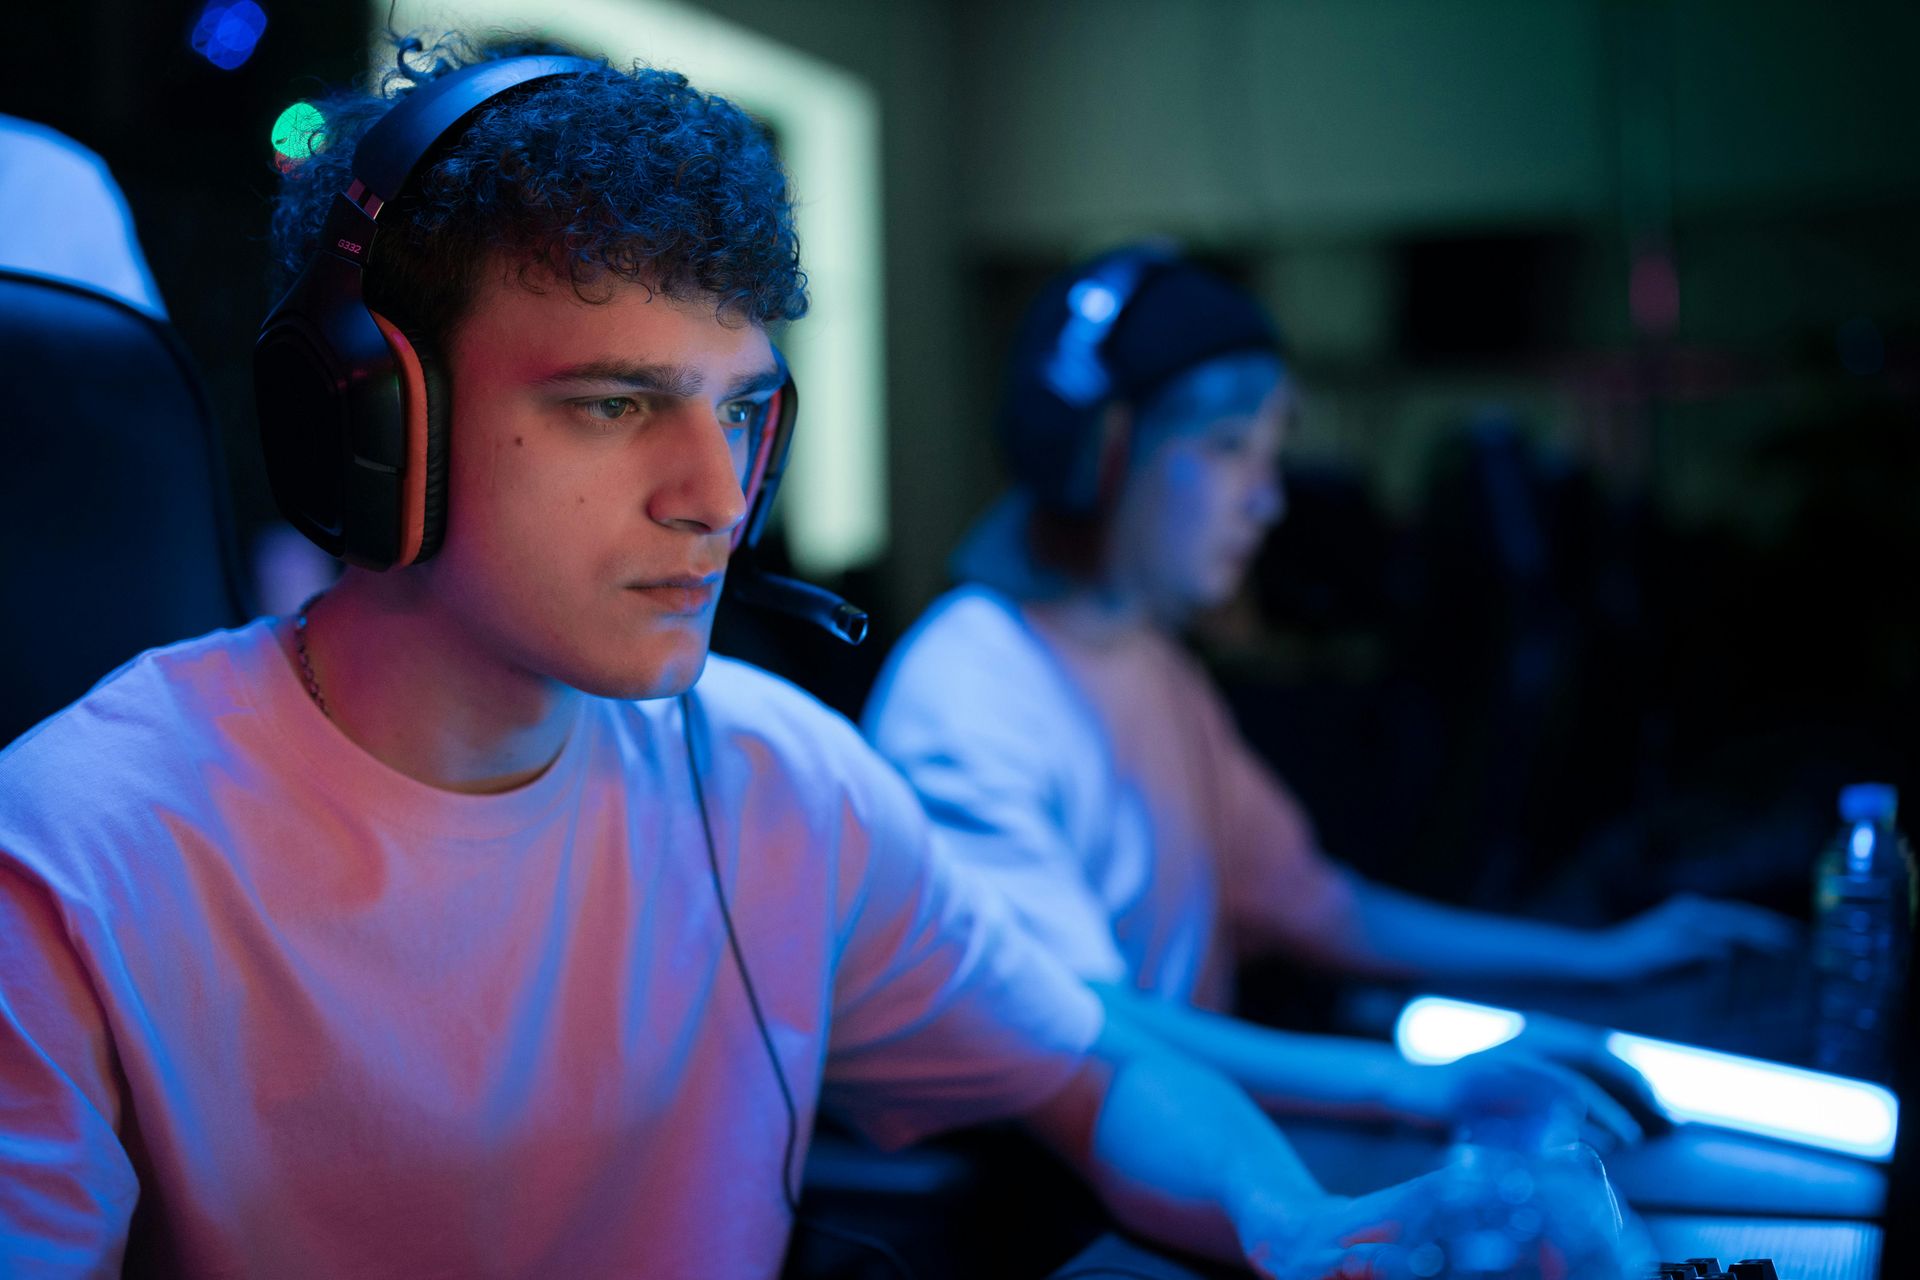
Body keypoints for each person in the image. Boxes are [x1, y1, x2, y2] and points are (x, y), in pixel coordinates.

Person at [0, 40, 1639, 1280]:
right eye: (614, 404)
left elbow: (1090, 1066)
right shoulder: (77, 853)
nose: (719, 500)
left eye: (743, 410)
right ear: (373, 424)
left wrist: (1300, 1227)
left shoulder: (777, 776)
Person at [863, 244, 1797, 1134]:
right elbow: (1089, 1026)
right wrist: (1411, 1088)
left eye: (1272, 457)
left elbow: (1321, 907)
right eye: (1231, 448)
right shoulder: (967, 689)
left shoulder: (1146, 659)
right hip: (1045, 1211)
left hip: (1190, 1139)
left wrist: (1605, 961)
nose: (1266, 502)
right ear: (1099, 453)